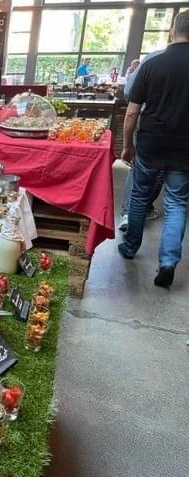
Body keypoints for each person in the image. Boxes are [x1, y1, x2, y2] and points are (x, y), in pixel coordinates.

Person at [119, 11, 189, 288]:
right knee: (176, 203)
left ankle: (130, 247)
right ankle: (168, 261)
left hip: (150, 143)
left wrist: (127, 146)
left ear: (172, 31)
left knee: (139, 195)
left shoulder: (152, 64)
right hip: (184, 149)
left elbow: (132, 112)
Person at [117, 51, 166, 233]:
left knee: (139, 171)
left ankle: (129, 215)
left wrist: (127, 145)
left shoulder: (153, 58)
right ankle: (145, 209)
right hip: (181, 132)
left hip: (149, 124)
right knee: (173, 193)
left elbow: (129, 93)